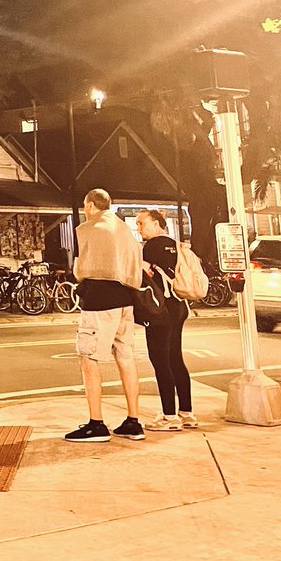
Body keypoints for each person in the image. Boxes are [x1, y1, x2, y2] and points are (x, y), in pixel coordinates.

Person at [65, 188, 145, 443]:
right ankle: (133, 421)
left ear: (90, 206)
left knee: (88, 358)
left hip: (100, 301)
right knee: (125, 357)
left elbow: (82, 268)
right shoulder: (124, 229)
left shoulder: (92, 228)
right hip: (126, 301)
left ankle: (96, 423)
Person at [136, 210, 198, 431]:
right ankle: (187, 413)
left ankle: (169, 416)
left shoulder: (151, 247)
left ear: (155, 223)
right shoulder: (177, 245)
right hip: (179, 307)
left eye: (141, 223)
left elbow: (139, 277)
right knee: (175, 359)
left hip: (159, 311)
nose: (139, 228)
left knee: (160, 361)